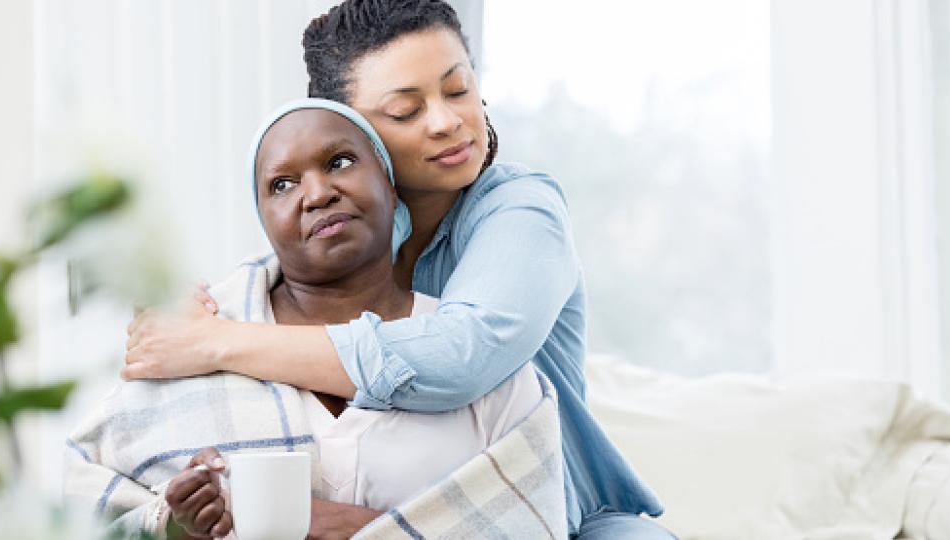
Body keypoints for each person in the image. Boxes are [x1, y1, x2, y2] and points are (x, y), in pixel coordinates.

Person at [124, 1, 673, 537]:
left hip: (567, 519)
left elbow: (463, 354)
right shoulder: (340, 238)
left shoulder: (520, 209)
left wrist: (214, 342)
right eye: (406, 111)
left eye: (458, 89)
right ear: (350, 130)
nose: (447, 121)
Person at [65, 99, 559, 539]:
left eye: (340, 162)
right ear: (263, 220)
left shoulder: (485, 365)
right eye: (282, 184)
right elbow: (84, 513)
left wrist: (362, 530)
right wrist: (176, 523)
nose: (317, 194)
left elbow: (534, 518)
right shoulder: (182, 349)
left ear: (390, 186)